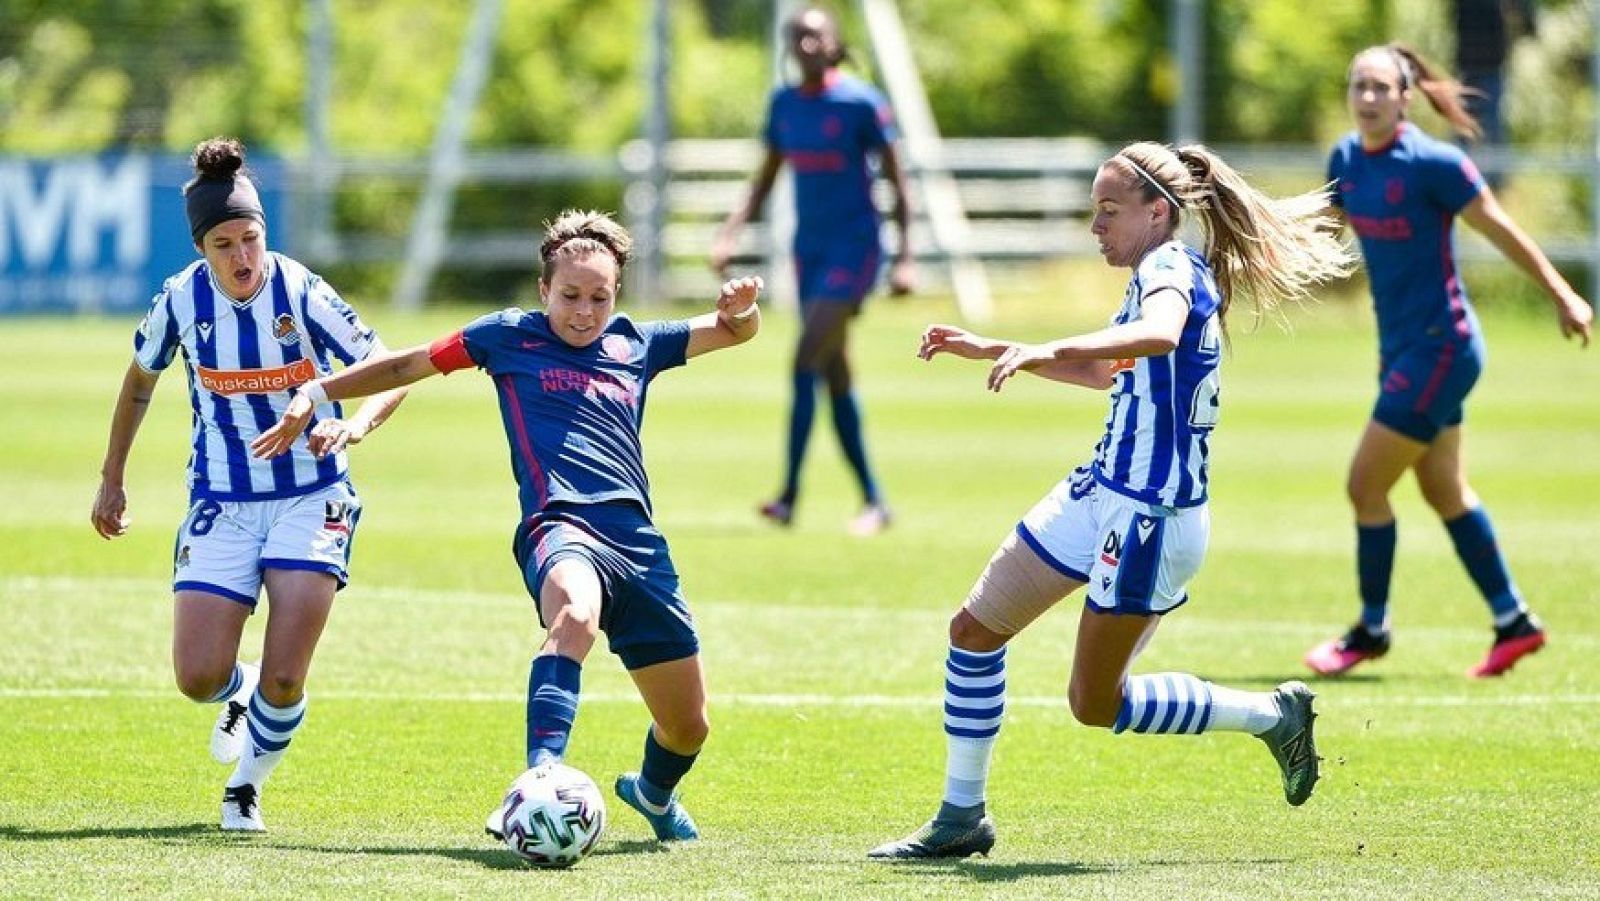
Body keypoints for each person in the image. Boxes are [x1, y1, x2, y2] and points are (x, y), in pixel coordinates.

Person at [867, 142, 1355, 860]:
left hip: (1150, 517)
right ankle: (961, 814)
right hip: (1100, 490)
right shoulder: (1155, 270)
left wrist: (1044, 347)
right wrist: (999, 346)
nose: (1095, 225)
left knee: (1095, 703)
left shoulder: (1169, 268)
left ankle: (1271, 715)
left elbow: (1157, 335)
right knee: (973, 630)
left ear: (1158, 212)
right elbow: (1107, 370)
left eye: (1108, 210)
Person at [252, 210, 764, 843]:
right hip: (559, 527)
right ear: (544, 289)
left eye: (599, 297)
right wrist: (321, 392)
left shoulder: (636, 344)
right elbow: (408, 364)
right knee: (573, 615)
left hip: (637, 543)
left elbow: (731, 332)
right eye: (570, 295)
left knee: (689, 727)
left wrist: (741, 309)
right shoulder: (505, 337)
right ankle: (540, 777)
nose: (583, 310)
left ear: (616, 295)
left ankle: (654, 794)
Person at [91, 137, 409, 832]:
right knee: (197, 676)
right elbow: (140, 379)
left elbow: (388, 367)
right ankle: (238, 696)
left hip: (312, 494)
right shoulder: (180, 298)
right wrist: (112, 476)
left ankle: (246, 784)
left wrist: (351, 427)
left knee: (287, 675)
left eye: (251, 238)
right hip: (223, 502)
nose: (241, 257)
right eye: (225, 243)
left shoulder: (301, 290)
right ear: (202, 249)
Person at [1303, 44, 1592, 680]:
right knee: (1442, 489)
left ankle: (1371, 628)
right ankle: (1513, 620)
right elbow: (1324, 236)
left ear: (1406, 97)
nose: (1369, 98)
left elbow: (1500, 229)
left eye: (1381, 87)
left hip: (1443, 348)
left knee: (1364, 484)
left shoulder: (1435, 164)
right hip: (1402, 351)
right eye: (1359, 86)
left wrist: (1563, 294)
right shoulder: (1346, 162)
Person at [710, 5, 914, 537]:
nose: (806, 45)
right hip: (810, 252)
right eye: (797, 36)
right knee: (834, 370)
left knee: (804, 357)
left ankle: (788, 495)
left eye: (815, 36)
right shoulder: (783, 106)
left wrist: (906, 257)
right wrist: (731, 230)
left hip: (855, 249)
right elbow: (765, 178)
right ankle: (874, 500)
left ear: (834, 43)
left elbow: (898, 181)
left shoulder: (860, 102)